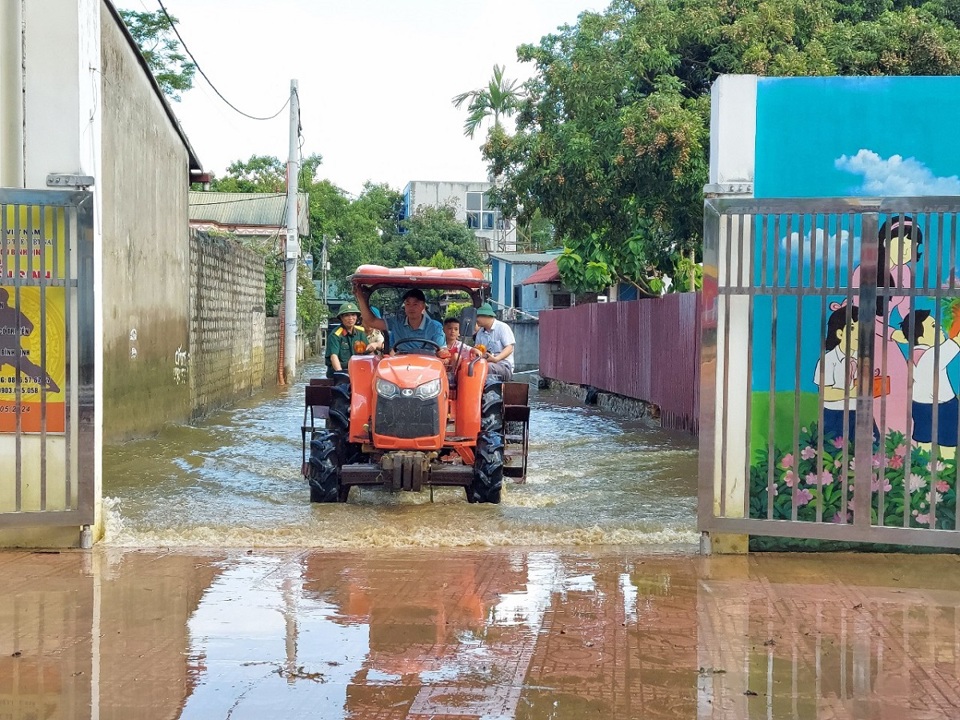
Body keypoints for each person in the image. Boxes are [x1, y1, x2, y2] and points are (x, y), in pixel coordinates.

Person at [896, 309, 960, 459]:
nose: (940, 329)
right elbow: (957, 341)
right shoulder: (932, 355)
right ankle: (945, 475)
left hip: (920, 406)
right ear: (920, 335)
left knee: (924, 444)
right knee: (948, 447)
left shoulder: (914, 354)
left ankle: (924, 472)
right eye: (933, 326)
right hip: (944, 406)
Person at [356, 287, 448, 358]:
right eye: (408, 304)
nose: (411, 308)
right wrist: (361, 298)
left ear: (423, 306)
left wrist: (443, 354)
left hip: (426, 367)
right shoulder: (397, 322)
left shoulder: (435, 327)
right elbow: (371, 321)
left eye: (415, 304)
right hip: (401, 365)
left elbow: (442, 351)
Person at [0, 287, 59, 392]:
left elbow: (29, 327)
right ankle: (53, 386)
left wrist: (13, 333)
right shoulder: (13, 312)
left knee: (29, 368)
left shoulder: (13, 312)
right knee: (30, 368)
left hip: (11, 348)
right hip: (11, 347)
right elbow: (29, 327)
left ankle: (53, 386)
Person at [325, 302, 369, 378]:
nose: (350, 318)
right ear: (341, 318)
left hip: (357, 372)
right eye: (347, 315)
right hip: (339, 373)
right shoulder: (335, 335)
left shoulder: (360, 332)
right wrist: (341, 374)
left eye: (353, 315)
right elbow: (334, 357)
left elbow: (367, 353)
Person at [474, 303, 515, 381]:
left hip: (504, 366)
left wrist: (496, 359)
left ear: (487, 316)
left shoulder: (502, 327)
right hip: (485, 363)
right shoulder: (480, 333)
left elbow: (510, 348)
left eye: (478, 316)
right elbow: (478, 351)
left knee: (487, 367)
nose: (476, 319)